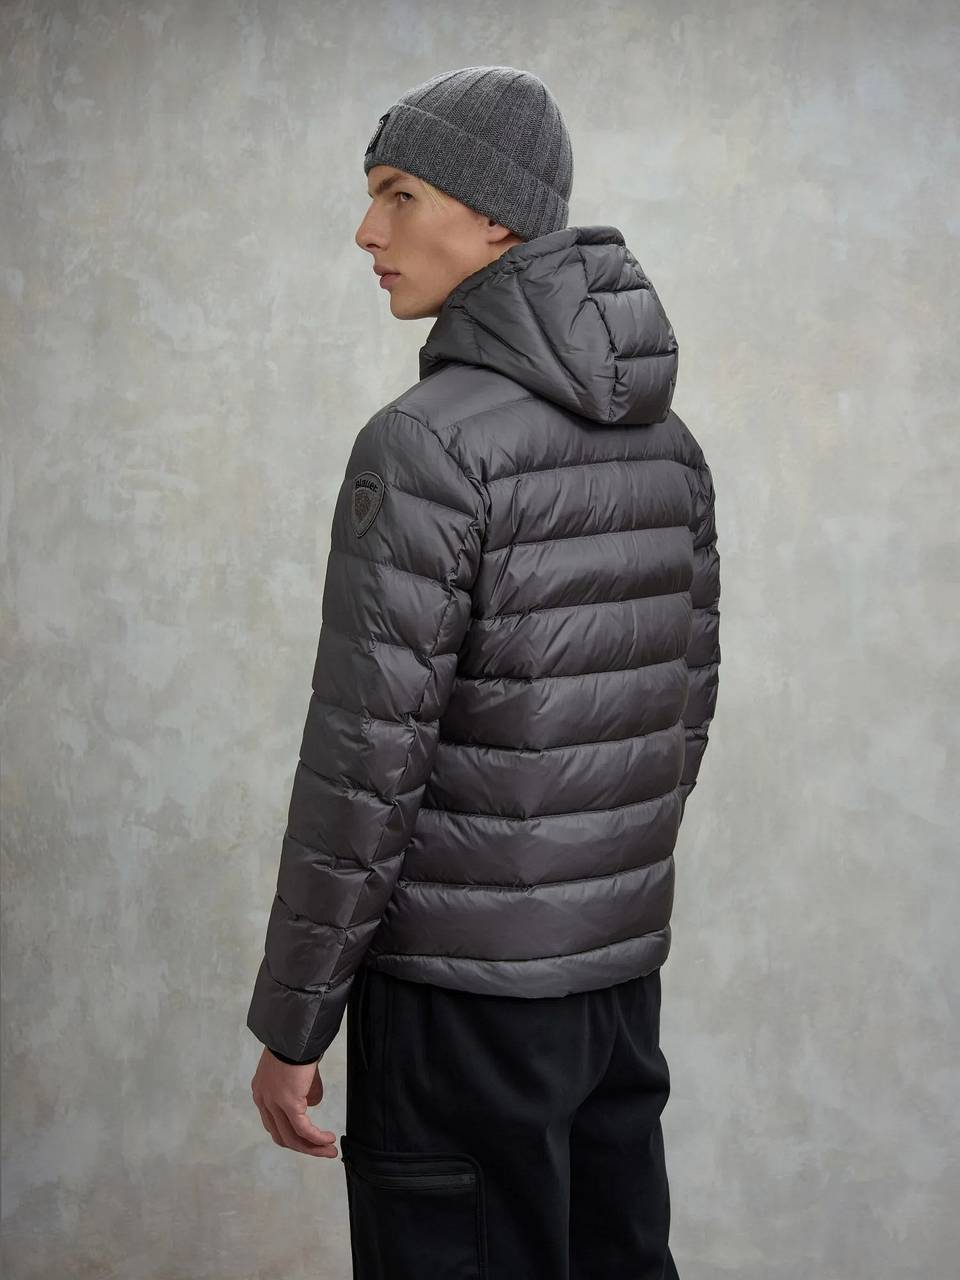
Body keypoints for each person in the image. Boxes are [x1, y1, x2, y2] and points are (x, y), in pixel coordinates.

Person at [247, 65, 720, 1279]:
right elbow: (682, 713)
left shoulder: (424, 447)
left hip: (456, 1010)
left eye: (400, 193)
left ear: (496, 216)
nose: (368, 231)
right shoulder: (667, 444)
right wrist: (584, 893)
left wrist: (294, 1019)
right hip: (614, 991)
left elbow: (366, 768)